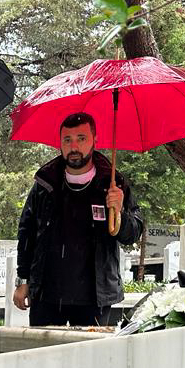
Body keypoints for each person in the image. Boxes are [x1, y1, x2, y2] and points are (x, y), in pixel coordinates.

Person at [14, 112, 144, 327]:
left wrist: (119, 212)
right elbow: (26, 234)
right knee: (44, 358)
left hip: (95, 298)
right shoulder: (44, 184)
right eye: (67, 140)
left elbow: (132, 233)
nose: (74, 147)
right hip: (47, 295)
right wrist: (23, 280)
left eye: (81, 138)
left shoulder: (113, 183)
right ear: (60, 143)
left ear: (95, 140)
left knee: (89, 360)